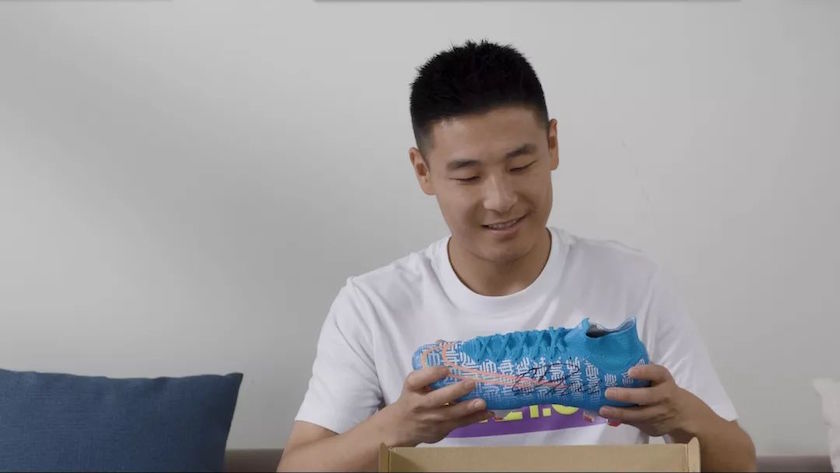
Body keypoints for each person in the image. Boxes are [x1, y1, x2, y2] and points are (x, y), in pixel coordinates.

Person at [277, 40, 756, 472]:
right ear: (423, 172)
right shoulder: (373, 306)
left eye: (520, 165)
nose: (501, 199)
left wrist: (678, 414)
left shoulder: (632, 282)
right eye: (468, 177)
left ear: (552, 145)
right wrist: (397, 426)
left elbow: (739, 462)